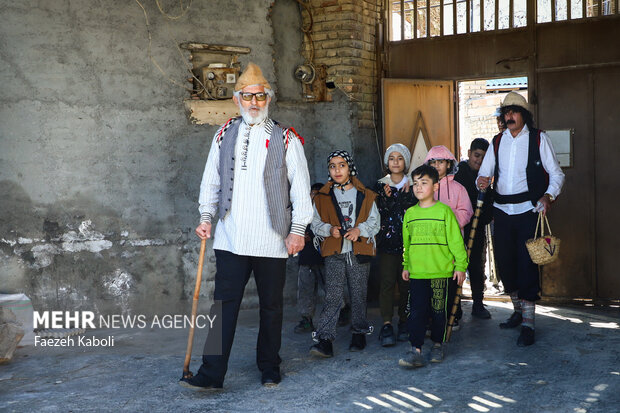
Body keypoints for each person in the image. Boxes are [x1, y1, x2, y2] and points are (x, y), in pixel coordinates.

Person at [179, 63, 313, 390]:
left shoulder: (287, 138)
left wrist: (298, 229)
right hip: (230, 238)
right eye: (248, 96)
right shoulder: (224, 133)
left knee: (271, 308)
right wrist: (206, 217)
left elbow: (300, 188)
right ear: (237, 99)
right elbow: (211, 179)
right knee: (222, 309)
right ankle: (211, 373)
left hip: (271, 241)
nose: (254, 102)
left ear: (268, 99)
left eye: (260, 96)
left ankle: (270, 366)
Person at [477, 92, 565, 347]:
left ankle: (528, 323)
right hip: (502, 213)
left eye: (514, 112)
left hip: (529, 211)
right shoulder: (496, 142)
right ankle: (518, 311)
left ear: (523, 115)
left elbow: (556, 174)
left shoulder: (539, 139)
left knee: (527, 267)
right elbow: (483, 175)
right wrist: (481, 181)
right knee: (505, 265)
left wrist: (548, 196)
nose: (509, 117)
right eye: (506, 113)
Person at [309, 150, 380, 357]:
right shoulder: (322, 196)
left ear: (350, 168)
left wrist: (359, 231)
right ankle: (325, 339)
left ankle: (359, 333)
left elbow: (374, 221)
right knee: (333, 296)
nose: (337, 170)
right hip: (334, 251)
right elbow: (315, 223)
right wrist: (328, 230)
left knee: (358, 294)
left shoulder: (365, 194)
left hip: (358, 251)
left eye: (342, 165)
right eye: (332, 166)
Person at [398, 164, 468, 367]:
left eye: (424, 183)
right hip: (418, 273)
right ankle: (416, 350)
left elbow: (456, 241)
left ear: (435, 187)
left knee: (439, 311)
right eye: (415, 183)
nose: (418, 187)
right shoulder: (410, 214)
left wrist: (461, 266)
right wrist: (406, 265)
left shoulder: (445, 212)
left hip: (441, 273)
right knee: (417, 312)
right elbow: (407, 244)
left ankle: (438, 344)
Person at [424, 145, 473, 329]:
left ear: (449, 164)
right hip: (430, 242)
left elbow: (466, 212)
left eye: (441, 162)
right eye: (433, 162)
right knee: (432, 279)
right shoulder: (423, 186)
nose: (437, 165)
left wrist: (448, 225)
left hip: (452, 242)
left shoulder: (458, 188)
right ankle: (433, 318)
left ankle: (454, 314)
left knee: (452, 279)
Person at [374, 143, 417, 346]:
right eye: (392, 158)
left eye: (400, 158)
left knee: (407, 283)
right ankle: (386, 323)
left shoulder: (414, 185)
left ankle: (405, 321)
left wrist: (408, 192)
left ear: (406, 162)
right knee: (387, 283)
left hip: (410, 243)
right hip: (387, 243)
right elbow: (376, 213)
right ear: (386, 163)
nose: (396, 162)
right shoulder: (379, 186)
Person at [454, 138, 494, 319]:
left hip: (476, 230)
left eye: (484, 158)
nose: (479, 160)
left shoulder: (487, 176)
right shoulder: (457, 174)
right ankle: (456, 306)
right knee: (455, 266)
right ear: (469, 153)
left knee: (477, 267)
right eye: (476, 155)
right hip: (457, 229)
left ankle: (478, 304)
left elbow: (489, 205)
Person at [294, 183, 325, 334]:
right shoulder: (303, 212)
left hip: (325, 258)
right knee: (306, 290)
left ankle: (343, 312)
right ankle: (306, 319)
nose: (315, 197)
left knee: (333, 289)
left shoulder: (328, 211)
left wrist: (311, 236)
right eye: (313, 194)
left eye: (318, 194)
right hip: (306, 258)